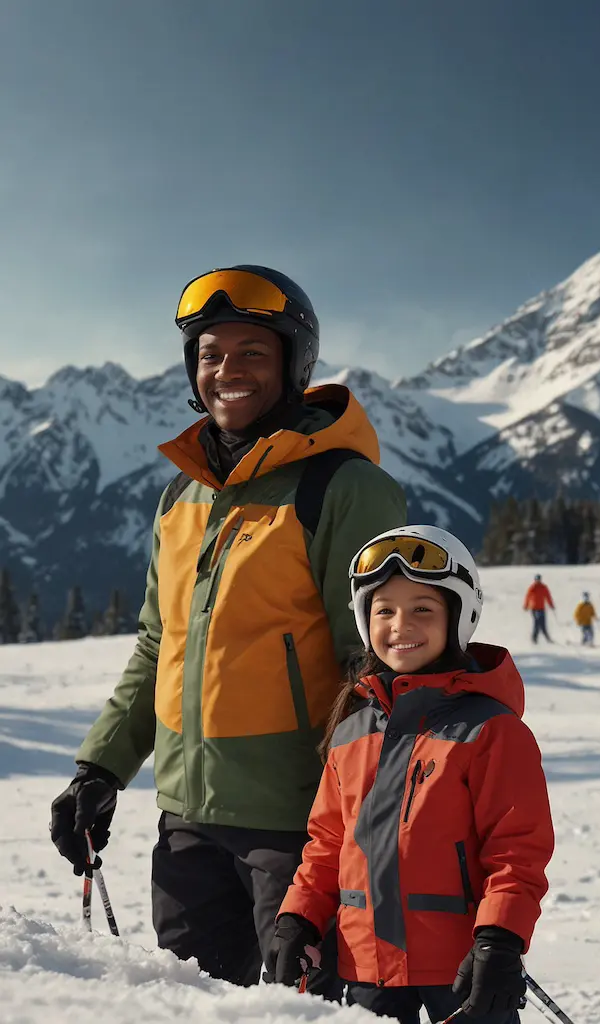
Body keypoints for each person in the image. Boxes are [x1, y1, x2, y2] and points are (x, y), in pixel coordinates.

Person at [49, 265, 407, 994]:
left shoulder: (342, 487)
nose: (226, 372)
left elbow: (373, 666)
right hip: (186, 827)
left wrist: (363, 816)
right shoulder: (183, 496)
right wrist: (101, 768)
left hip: (297, 829)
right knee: (195, 1005)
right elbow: (158, 644)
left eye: (251, 353)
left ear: (293, 366)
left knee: (305, 1009)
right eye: (210, 355)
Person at [265, 525, 555, 1024]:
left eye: (423, 608)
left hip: (461, 972)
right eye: (385, 610)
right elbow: (328, 843)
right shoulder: (352, 732)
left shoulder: (490, 730)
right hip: (366, 969)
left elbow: (516, 851)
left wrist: (499, 940)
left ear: (458, 617)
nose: (402, 625)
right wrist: (298, 919)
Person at [522, 574, 555, 644]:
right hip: (534, 609)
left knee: (543, 624)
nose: (538, 581)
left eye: (539, 579)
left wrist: (551, 605)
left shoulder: (543, 587)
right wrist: (526, 605)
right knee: (537, 623)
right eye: (537, 580)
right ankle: (534, 638)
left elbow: (548, 596)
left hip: (541, 608)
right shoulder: (532, 588)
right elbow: (527, 597)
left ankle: (547, 638)